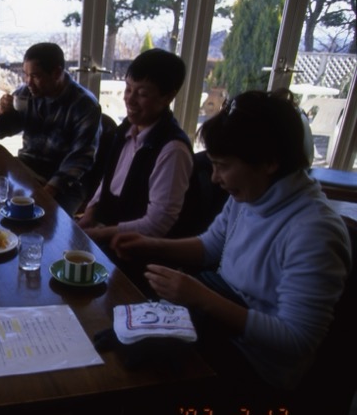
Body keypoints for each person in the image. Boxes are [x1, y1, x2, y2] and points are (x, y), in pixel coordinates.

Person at [110, 89, 351, 390]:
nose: (214, 178)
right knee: (120, 333)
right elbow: (210, 247)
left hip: (255, 364)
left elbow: (296, 339)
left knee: (129, 374)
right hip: (218, 323)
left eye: (223, 166)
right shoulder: (252, 193)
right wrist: (149, 245)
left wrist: (200, 297)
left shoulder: (314, 232)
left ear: (269, 162)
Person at [77, 48, 193, 244]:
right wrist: (89, 214)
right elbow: (109, 180)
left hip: (136, 247)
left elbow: (158, 224)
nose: (130, 99)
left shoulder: (172, 150)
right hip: (105, 230)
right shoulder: (126, 130)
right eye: (128, 89)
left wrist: (99, 234)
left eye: (142, 93)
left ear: (168, 97)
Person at [0, 42, 102, 215]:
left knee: (43, 220)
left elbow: (81, 158)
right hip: (28, 168)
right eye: (25, 75)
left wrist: (48, 191)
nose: (28, 82)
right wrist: (1, 111)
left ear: (56, 73)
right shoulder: (27, 94)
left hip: (66, 182)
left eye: (35, 76)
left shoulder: (84, 105)